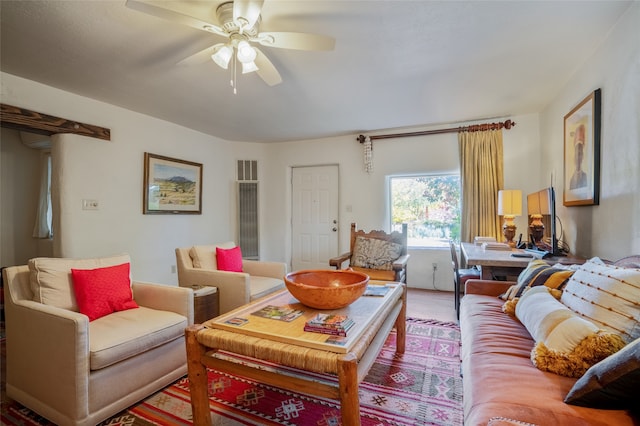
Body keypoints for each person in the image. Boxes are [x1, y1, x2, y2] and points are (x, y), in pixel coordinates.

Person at [569, 124, 587, 189]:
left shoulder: (586, 177)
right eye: (576, 154)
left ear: (583, 156)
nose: (578, 158)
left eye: (580, 154)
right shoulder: (571, 180)